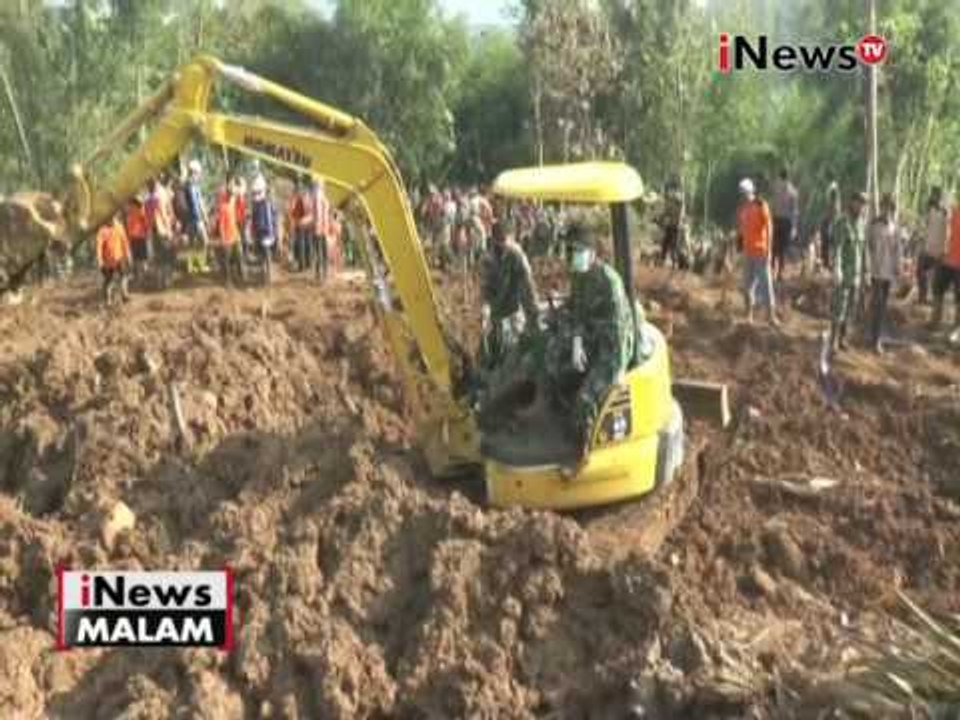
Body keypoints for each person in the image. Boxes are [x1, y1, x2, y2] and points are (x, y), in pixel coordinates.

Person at [550, 223, 634, 457]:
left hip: (611, 346)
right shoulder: (579, 276)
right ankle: (562, 418)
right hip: (591, 338)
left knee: (585, 399)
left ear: (592, 253)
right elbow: (577, 310)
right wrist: (576, 340)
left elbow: (618, 333)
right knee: (552, 363)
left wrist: (612, 369)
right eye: (571, 251)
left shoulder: (610, 282)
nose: (573, 257)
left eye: (577, 251)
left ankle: (581, 451)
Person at [480, 217, 540, 372]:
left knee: (517, 347)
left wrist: (533, 317)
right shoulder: (488, 258)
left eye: (504, 240)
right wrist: (485, 309)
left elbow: (528, 288)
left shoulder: (517, 256)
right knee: (491, 347)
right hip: (496, 310)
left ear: (511, 237)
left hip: (515, 308)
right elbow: (486, 286)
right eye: (497, 241)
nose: (501, 244)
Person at [736, 178, 779, 326]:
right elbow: (742, 231)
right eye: (741, 193)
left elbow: (769, 227)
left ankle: (771, 317)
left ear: (751, 191)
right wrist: (739, 247)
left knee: (766, 285)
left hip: (761, 251)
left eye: (745, 192)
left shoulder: (761, 206)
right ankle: (749, 316)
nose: (743, 195)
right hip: (748, 252)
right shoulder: (743, 210)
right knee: (747, 286)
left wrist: (769, 249)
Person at [829, 191, 868, 352]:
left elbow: (863, 250)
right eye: (859, 203)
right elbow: (837, 248)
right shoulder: (842, 222)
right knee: (840, 307)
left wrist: (866, 273)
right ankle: (833, 340)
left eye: (864, 204)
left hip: (856, 275)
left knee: (850, 309)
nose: (861, 207)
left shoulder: (862, 224)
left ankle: (843, 339)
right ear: (852, 202)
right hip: (844, 273)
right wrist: (836, 269)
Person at [866, 193, 904, 354]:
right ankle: (874, 338)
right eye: (885, 207)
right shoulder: (873, 225)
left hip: (888, 272)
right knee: (877, 304)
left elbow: (897, 250)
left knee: (882, 306)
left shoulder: (895, 228)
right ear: (881, 207)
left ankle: (876, 337)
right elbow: (867, 246)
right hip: (875, 271)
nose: (887, 210)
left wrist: (898, 267)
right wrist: (867, 268)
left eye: (890, 208)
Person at [931, 197, 960, 331]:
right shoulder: (952, 211)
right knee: (937, 290)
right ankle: (934, 321)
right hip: (945, 260)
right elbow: (942, 233)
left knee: (958, 298)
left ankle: (956, 328)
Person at [918, 187, 949, 305]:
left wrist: (944, 250)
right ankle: (923, 296)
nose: (934, 197)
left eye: (936, 195)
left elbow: (947, 231)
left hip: (938, 251)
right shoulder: (929, 209)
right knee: (920, 271)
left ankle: (934, 301)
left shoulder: (944, 212)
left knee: (937, 278)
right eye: (933, 195)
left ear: (940, 197)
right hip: (928, 248)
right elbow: (924, 226)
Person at [770, 167, 799, 282]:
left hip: (775, 220)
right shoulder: (793, 191)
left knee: (773, 248)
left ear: (780, 176)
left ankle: (772, 271)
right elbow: (795, 211)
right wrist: (794, 227)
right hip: (786, 222)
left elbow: (772, 206)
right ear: (788, 177)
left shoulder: (775, 189)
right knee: (782, 249)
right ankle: (779, 273)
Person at [96, 212, 131, 305]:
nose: (112, 219)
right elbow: (99, 247)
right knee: (109, 281)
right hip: (108, 261)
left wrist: (128, 255)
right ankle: (108, 300)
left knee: (124, 276)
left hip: (119, 257)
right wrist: (100, 261)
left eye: (113, 217)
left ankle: (124, 293)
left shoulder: (119, 227)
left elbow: (125, 242)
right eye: (110, 217)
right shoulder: (102, 230)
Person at [248, 175, 277, 284]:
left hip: (267, 232)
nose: (256, 195)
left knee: (267, 254)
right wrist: (253, 233)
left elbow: (271, 220)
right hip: (259, 232)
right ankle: (263, 275)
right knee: (261, 254)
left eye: (258, 193)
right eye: (255, 193)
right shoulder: (255, 204)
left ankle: (268, 276)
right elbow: (254, 220)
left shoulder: (267, 203)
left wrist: (272, 234)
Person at [215, 178, 244, 286]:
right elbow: (221, 224)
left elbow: (240, 195)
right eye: (231, 194)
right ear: (227, 195)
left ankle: (241, 276)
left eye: (233, 194)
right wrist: (223, 238)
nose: (233, 196)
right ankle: (228, 280)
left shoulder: (233, 202)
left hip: (235, 234)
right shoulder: (223, 206)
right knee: (226, 260)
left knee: (239, 255)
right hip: (227, 236)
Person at [657, 179, 687, 269]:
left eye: (671, 190)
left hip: (677, 227)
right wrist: (660, 218)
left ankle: (675, 262)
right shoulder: (670, 202)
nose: (670, 192)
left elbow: (681, 212)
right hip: (670, 225)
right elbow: (666, 212)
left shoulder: (679, 200)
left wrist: (678, 221)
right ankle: (663, 260)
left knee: (674, 245)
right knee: (665, 243)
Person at [125, 195, 150, 283]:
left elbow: (145, 222)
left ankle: (142, 278)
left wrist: (147, 232)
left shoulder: (137, 211)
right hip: (136, 237)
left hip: (138, 237)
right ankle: (142, 278)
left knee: (140, 259)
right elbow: (145, 223)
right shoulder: (133, 211)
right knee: (140, 259)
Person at [312, 177, 332, 281]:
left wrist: (316, 226)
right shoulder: (326, 196)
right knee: (323, 251)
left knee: (318, 251)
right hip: (325, 228)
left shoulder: (317, 195)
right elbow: (328, 212)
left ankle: (319, 274)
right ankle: (324, 273)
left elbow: (318, 212)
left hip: (318, 227)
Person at [820, 181, 841, 272]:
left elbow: (833, 213)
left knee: (829, 244)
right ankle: (828, 262)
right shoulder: (833, 202)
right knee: (828, 244)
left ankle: (829, 263)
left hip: (831, 224)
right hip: (830, 223)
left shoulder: (835, 202)